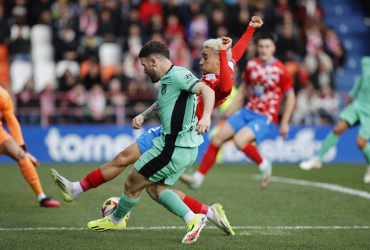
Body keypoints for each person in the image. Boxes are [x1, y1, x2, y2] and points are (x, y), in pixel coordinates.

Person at [51, 16, 263, 235]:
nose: (200, 62)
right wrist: (249, 29)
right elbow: (233, 55)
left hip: (181, 133)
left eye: (205, 57)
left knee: (152, 187)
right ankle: (75, 189)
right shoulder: (209, 70)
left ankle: (127, 217)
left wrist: (206, 115)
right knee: (124, 158)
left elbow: (225, 81)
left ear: (218, 60)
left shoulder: (219, 82)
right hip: (165, 129)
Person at [91, 40, 215, 243]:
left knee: (132, 182)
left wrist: (206, 116)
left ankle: (116, 219)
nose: (144, 70)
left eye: (144, 65)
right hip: (179, 147)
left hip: (173, 147)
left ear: (154, 61)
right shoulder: (168, 79)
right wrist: (143, 115)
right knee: (155, 189)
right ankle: (193, 219)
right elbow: (164, 103)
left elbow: (207, 91)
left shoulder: (178, 74)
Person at [181, 33, 295, 190]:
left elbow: (291, 97)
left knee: (240, 141)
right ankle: (198, 178)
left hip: (266, 116)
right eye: (261, 46)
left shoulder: (281, 71)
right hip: (247, 111)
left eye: (267, 47)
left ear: (273, 48)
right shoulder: (252, 65)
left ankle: (263, 164)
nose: (263, 50)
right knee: (216, 138)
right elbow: (243, 89)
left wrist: (285, 122)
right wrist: (232, 106)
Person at [300, 39, 370, 183]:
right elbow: (362, 80)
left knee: (361, 142)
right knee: (337, 128)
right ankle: (318, 158)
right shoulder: (365, 62)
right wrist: (351, 95)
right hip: (359, 104)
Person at [0, 86, 60, 207]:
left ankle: (42, 198)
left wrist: (22, 147)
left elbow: (11, 119)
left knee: (21, 155)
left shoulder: (2, 95)